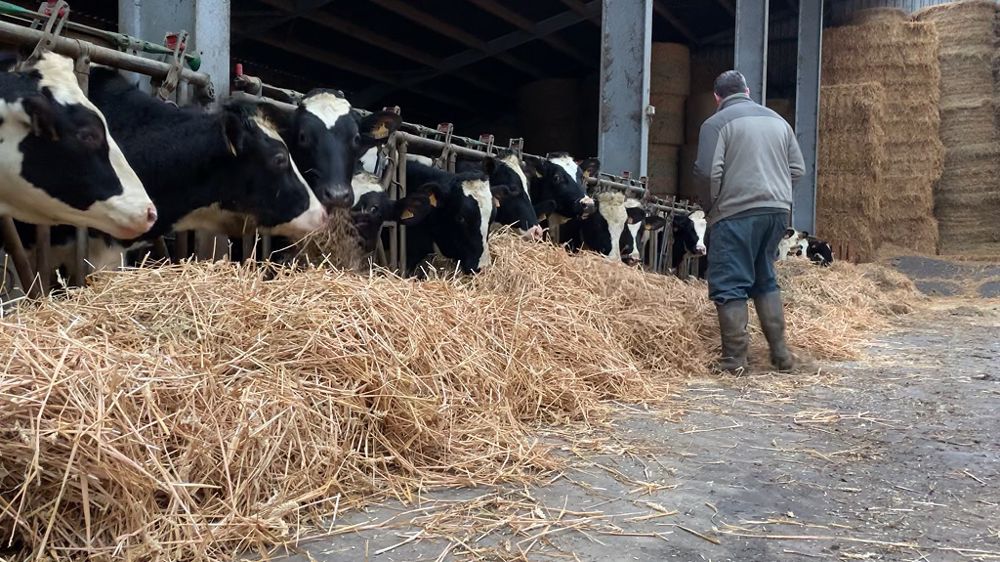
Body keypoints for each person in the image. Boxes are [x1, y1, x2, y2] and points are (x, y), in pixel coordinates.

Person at [692, 70, 805, 374]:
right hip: (776, 212)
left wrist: (712, 207)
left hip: (735, 213)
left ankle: (734, 361)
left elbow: (707, 173)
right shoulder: (778, 121)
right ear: (748, 91)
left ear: (717, 97)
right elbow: (797, 169)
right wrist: (778, 195)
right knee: (764, 277)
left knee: (729, 282)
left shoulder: (716, 123)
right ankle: (781, 355)